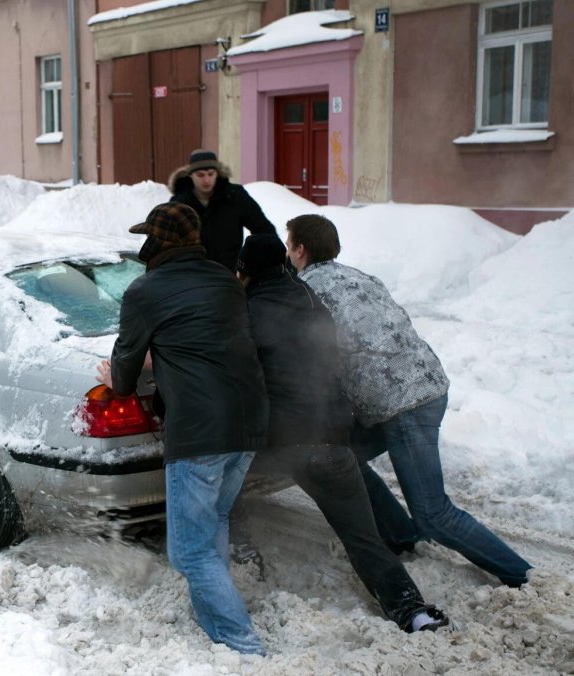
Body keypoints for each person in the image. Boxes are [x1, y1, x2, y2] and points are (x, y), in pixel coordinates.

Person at [285, 214, 533, 588]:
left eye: (289, 245)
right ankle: (400, 535)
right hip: (427, 385)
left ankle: (522, 574)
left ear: (300, 249)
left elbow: (316, 354)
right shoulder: (361, 276)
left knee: (434, 513)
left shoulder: (307, 292)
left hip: (404, 406)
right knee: (342, 454)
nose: (288, 253)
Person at [236, 233, 449, 632]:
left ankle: (244, 556)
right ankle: (412, 611)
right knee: (363, 537)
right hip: (332, 438)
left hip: (283, 442)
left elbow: (241, 380)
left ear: (245, 272)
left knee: (215, 478)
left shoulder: (248, 313)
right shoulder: (312, 303)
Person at [97, 202, 268, 655]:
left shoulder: (144, 291)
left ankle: (244, 646)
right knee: (214, 522)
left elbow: (124, 375)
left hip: (200, 431)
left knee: (188, 551)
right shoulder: (226, 281)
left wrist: (113, 375)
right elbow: (208, 339)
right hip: (250, 421)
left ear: (157, 243)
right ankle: (214, 624)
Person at [167, 149, 276, 271]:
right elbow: (166, 242)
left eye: (211, 173)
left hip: (230, 273)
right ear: (191, 175)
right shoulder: (179, 203)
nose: (206, 180)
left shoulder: (234, 196)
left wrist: (257, 261)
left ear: (217, 173)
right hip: (194, 275)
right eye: (200, 175)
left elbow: (264, 230)